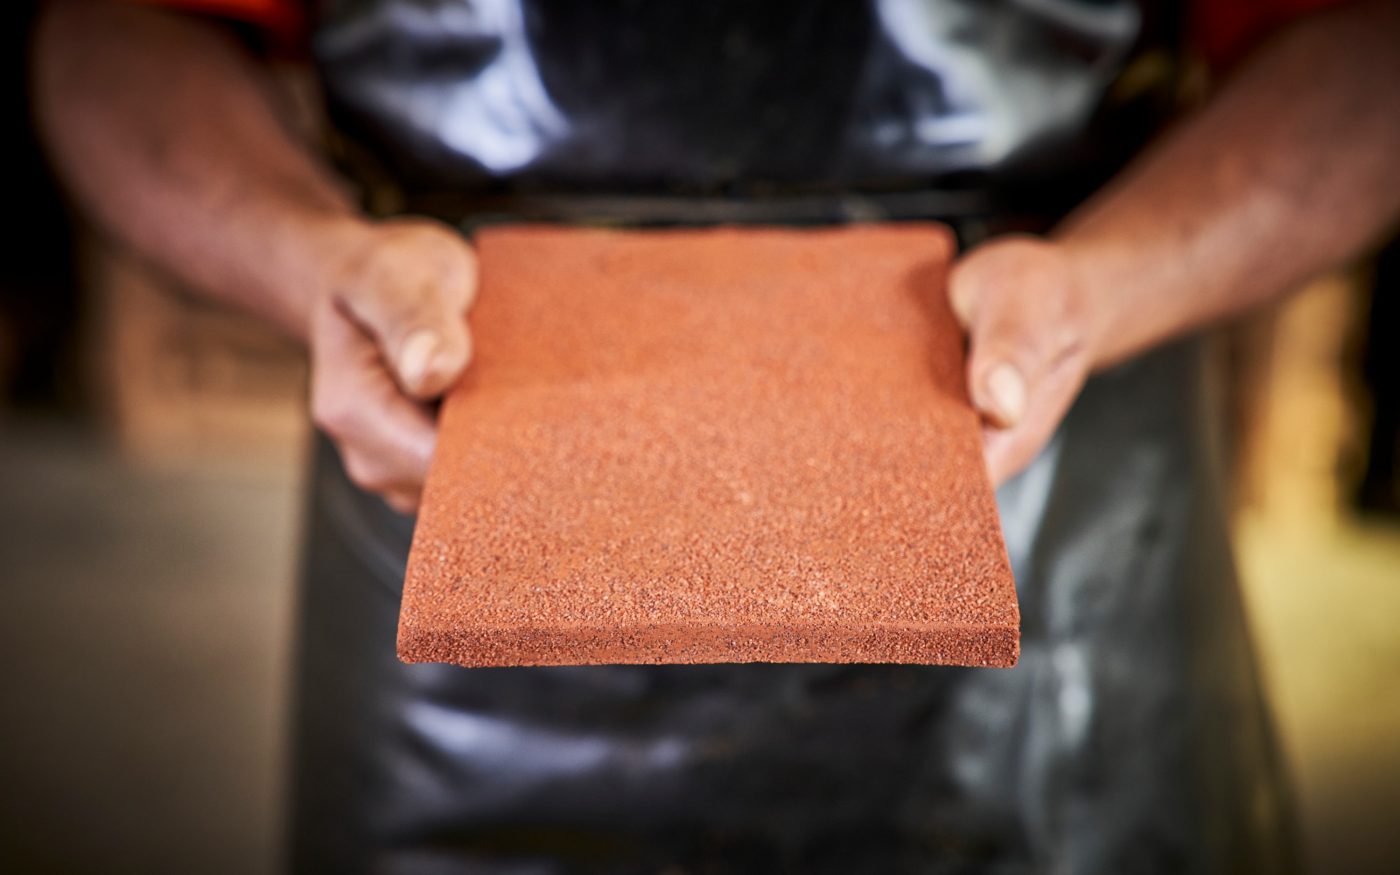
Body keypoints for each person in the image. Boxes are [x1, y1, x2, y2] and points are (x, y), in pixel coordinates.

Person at [33, 0, 1400, 872]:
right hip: (448, 481)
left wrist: (1112, 285)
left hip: (1054, 528)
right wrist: (304, 260)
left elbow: (1360, 49)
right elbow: (117, 28)